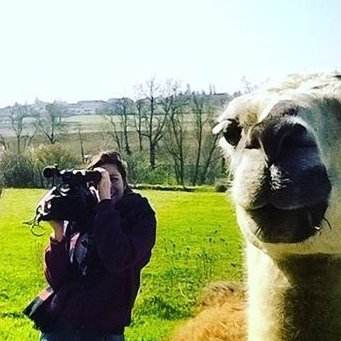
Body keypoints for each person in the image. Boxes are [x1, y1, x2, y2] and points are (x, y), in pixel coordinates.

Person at [38, 151, 156, 341]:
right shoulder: (82, 211)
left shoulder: (138, 215)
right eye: (99, 180)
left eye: (113, 179)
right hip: (60, 326)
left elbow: (118, 258)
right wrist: (58, 234)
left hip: (104, 331)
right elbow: (58, 280)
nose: (107, 186)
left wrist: (105, 204)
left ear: (125, 183)